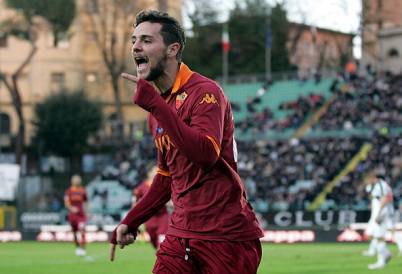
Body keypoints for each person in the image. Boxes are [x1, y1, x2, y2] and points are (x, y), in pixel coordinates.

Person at [109, 10, 264, 273]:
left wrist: (156, 106)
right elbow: (165, 176)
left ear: (172, 49)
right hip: (180, 234)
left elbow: (205, 155)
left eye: (146, 40)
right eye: (134, 40)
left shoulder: (205, 92)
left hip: (226, 236)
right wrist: (133, 220)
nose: (135, 46)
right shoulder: (159, 109)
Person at [132, 166, 169, 249]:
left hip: (163, 218)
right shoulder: (141, 187)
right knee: (154, 243)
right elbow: (135, 202)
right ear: (149, 173)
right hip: (149, 219)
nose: (157, 173)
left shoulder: (164, 184)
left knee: (162, 244)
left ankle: (162, 259)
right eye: (155, 171)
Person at [363, 170, 393, 270]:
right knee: (372, 235)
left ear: (373, 178)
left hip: (382, 213)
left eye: (367, 179)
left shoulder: (382, 185)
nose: (366, 182)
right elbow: (374, 198)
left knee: (379, 236)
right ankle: (386, 254)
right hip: (377, 213)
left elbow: (385, 198)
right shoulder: (374, 186)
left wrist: (379, 214)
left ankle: (381, 261)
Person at [64, 174, 88, 256]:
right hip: (72, 215)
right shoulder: (69, 191)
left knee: (82, 230)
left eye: (78, 180)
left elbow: (86, 202)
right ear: (72, 181)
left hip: (81, 215)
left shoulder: (83, 191)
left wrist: (88, 212)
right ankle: (77, 247)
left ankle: (83, 248)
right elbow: (66, 203)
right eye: (76, 180)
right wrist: (71, 208)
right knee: (74, 232)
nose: (77, 181)